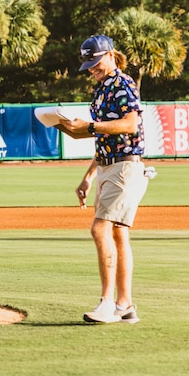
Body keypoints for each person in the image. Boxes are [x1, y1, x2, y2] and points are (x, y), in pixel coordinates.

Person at [57, 35, 148, 325]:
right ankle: (126, 305)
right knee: (118, 234)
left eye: (96, 63)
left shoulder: (123, 83)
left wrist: (91, 126)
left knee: (100, 229)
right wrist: (86, 175)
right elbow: (102, 134)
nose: (93, 69)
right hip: (109, 167)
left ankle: (107, 303)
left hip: (125, 166)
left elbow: (130, 124)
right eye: (89, 65)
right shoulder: (100, 89)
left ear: (110, 55)